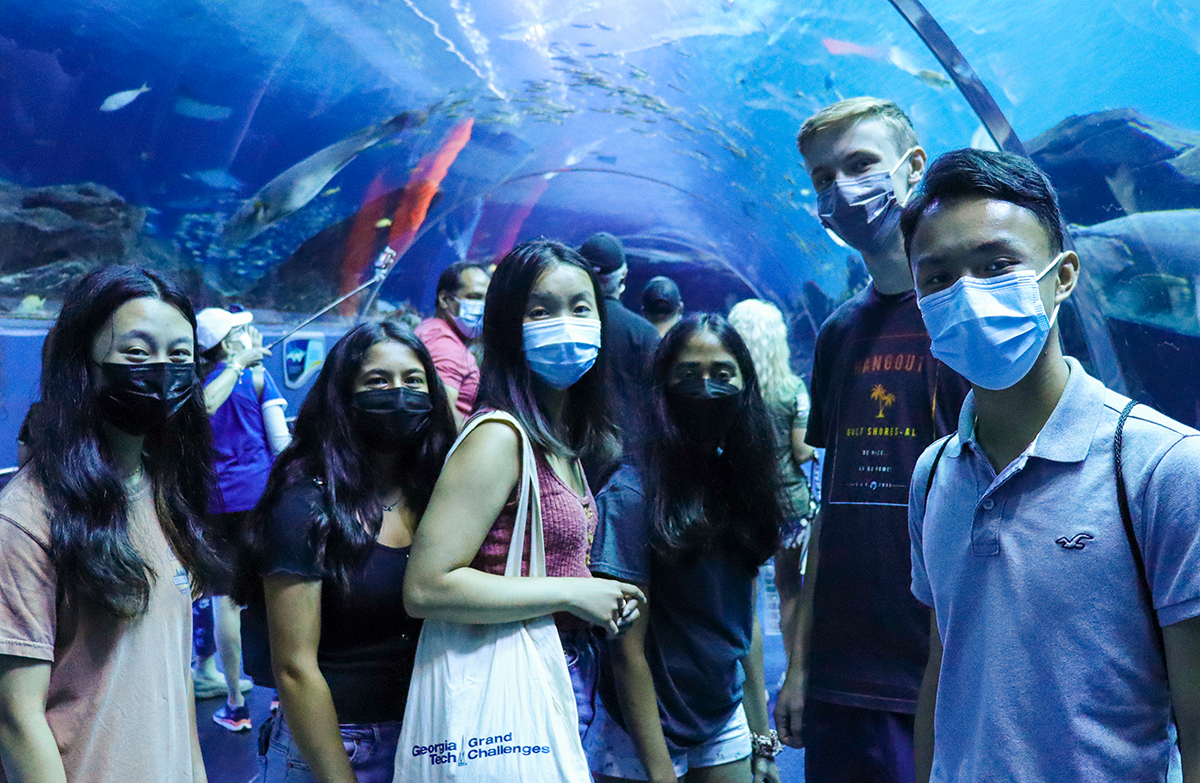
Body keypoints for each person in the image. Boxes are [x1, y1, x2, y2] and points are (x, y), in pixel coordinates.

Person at [902, 148, 1200, 782]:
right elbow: (944, 669)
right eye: (937, 278)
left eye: (997, 265)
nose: (968, 295)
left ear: (1063, 276)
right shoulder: (933, 475)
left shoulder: (1160, 469)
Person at [774, 96, 970, 782]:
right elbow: (831, 502)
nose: (840, 189)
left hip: (939, 667)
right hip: (840, 670)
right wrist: (799, 662)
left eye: (859, 164)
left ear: (913, 167)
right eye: (823, 178)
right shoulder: (837, 334)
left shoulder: (968, 317)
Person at [404, 238, 646, 746]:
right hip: (510, 680)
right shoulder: (499, 436)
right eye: (541, 310)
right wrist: (573, 591)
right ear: (509, 329)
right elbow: (426, 587)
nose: (567, 322)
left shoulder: (561, 438)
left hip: (560, 669)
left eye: (581, 307)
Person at [0, 265, 220, 782]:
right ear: (83, 362)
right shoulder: (28, 518)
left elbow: (171, 679)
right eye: (137, 353)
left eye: (180, 356)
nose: (162, 371)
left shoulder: (161, 491)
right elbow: (15, 717)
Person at [235, 320, 456, 783]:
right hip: (336, 744)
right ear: (343, 397)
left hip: (426, 735)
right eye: (378, 380)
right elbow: (294, 667)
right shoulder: (304, 503)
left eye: (413, 381)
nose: (399, 393)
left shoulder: (439, 493)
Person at [588, 314, 786, 783]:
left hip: (721, 713)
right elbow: (626, 652)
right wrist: (660, 774)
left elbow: (745, 620)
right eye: (688, 374)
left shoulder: (742, 482)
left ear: (745, 384)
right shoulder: (632, 494)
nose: (706, 388)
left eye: (722, 374)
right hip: (640, 726)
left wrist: (762, 739)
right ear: (663, 386)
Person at [193, 306, 290, 730]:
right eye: (242, 330)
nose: (251, 333)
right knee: (272, 595)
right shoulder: (256, 377)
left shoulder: (195, 385)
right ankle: (279, 697)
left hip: (214, 503)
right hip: (260, 497)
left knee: (226, 602)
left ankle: (235, 705)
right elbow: (280, 440)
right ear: (228, 343)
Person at [727, 298, 816, 644]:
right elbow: (803, 451)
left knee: (745, 592)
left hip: (741, 502)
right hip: (788, 504)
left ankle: (751, 686)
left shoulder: (731, 390)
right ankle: (792, 676)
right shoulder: (792, 389)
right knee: (789, 588)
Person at [578, 233, 660, 488]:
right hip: (628, 461)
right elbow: (657, 405)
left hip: (571, 453)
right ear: (623, 277)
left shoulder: (566, 329)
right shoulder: (644, 333)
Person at [414, 260, 491, 427]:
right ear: (444, 299)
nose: (483, 307)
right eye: (474, 297)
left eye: (487, 299)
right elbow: (442, 416)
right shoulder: (444, 344)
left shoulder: (431, 329)